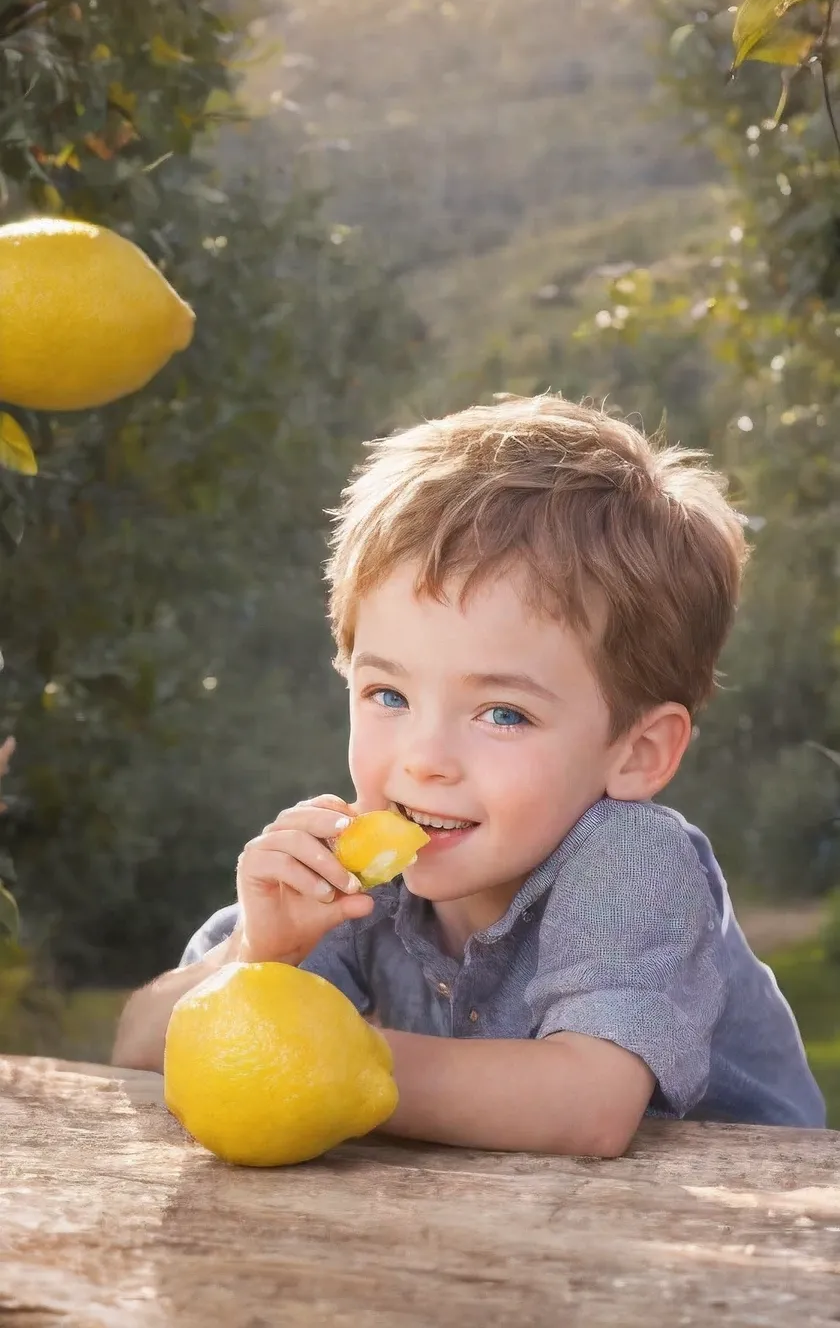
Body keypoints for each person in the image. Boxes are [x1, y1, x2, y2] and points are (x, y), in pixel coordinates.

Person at [112, 394, 826, 1153]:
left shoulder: (631, 859)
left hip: (745, 1235)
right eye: (388, 695)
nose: (424, 759)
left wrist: (336, 1057)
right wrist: (253, 953)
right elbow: (140, 1043)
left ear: (637, 752)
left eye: (502, 714)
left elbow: (589, 1105)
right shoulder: (358, 876)